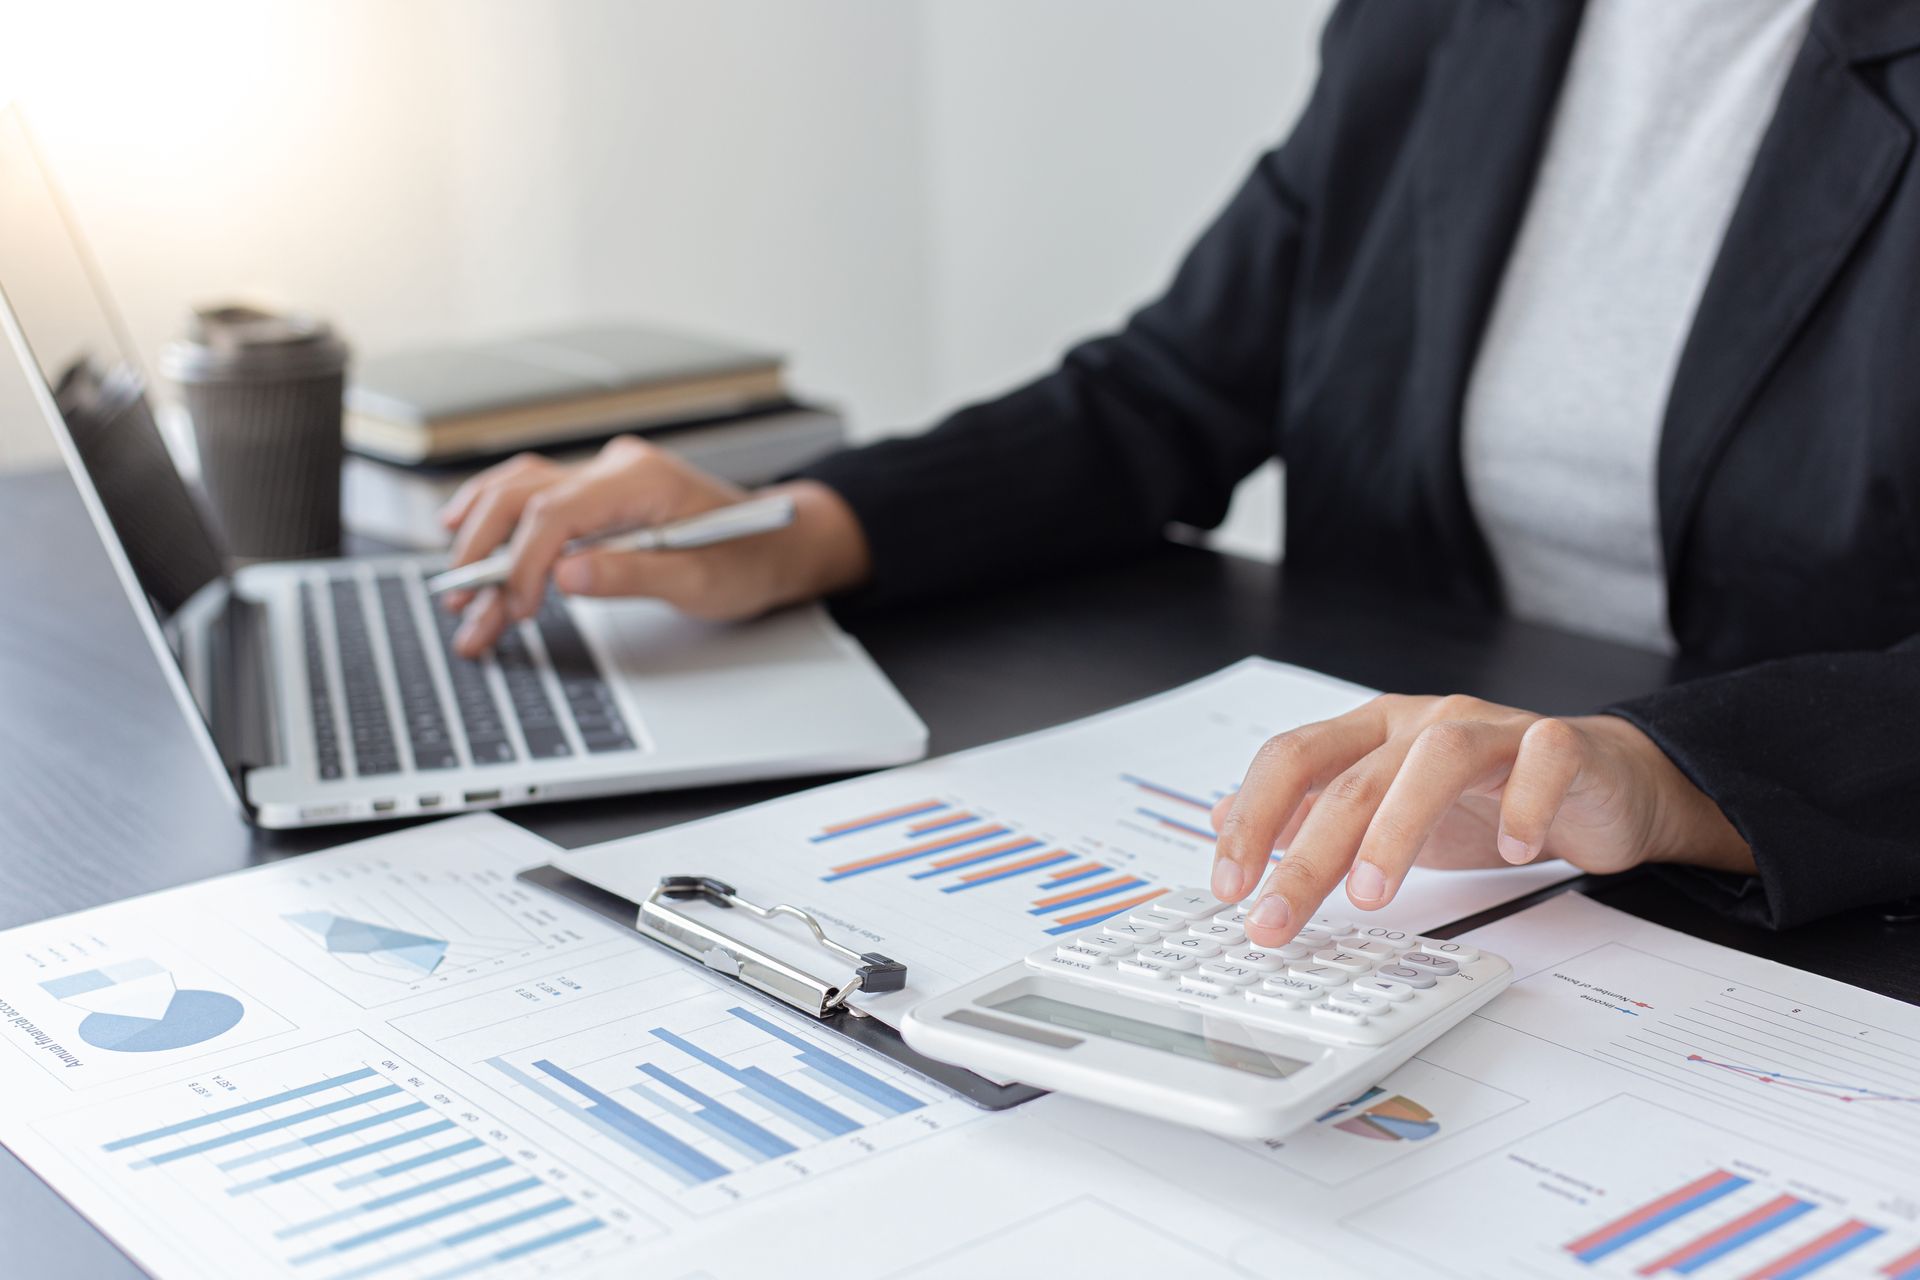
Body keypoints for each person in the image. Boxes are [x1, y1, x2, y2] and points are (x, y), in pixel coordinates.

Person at [440, 0, 1920, 948]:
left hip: (1802, 889)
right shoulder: (1439, 23)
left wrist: (1667, 774)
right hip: (1411, 854)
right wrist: (802, 527)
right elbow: (1168, 392)